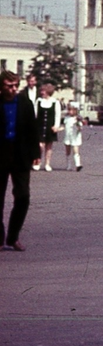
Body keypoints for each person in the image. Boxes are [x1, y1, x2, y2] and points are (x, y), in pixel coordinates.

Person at [0, 70, 39, 250]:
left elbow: (33, 128)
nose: (13, 89)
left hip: (20, 154)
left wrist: (36, 153)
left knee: (23, 196)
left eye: (15, 85)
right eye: (9, 86)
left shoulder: (25, 103)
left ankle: (13, 236)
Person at [32, 82, 62, 171]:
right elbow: (35, 114)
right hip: (39, 126)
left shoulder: (55, 102)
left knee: (49, 146)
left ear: (48, 91)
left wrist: (56, 126)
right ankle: (37, 162)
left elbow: (57, 115)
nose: (41, 92)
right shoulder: (39, 101)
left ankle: (47, 164)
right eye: (41, 91)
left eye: (43, 91)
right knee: (40, 145)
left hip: (50, 126)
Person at [62, 102, 84, 171]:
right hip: (68, 136)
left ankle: (78, 164)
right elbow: (64, 126)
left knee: (75, 150)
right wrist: (58, 129)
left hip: (75, 137)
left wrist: (78, 125)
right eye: (69, 110)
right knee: (68, 151)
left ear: (75, 110)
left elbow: (80, 128)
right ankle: (68, 165)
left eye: (71, 110)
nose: (70, 111)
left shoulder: (77, 118)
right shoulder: (66, 118)